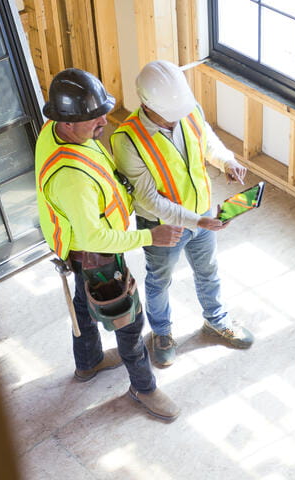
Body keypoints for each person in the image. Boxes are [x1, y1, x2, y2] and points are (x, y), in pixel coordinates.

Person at [35, 68, 184, 421]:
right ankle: (143, 388)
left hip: (74, 250)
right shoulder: (71, 178)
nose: (104, 120)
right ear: (67, 122)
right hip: (95, 256)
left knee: (84, 306)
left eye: (102, 110)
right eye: (93, 117)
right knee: (128, 322)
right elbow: (95, 237)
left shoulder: (54, 132)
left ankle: (88, 363)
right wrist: (150, 235)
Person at [111, 60, 255, 367]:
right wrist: (196, 220)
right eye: (169, 116)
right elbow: (149, 199)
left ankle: (216, 320)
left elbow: (207, 141)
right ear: (147, 104)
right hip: (164, 226)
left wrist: (227, 161)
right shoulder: (126, 140)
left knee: (208, 270)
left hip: (201, 213)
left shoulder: (188, 109)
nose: (177, 120)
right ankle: (161, 333)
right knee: (159, 280)